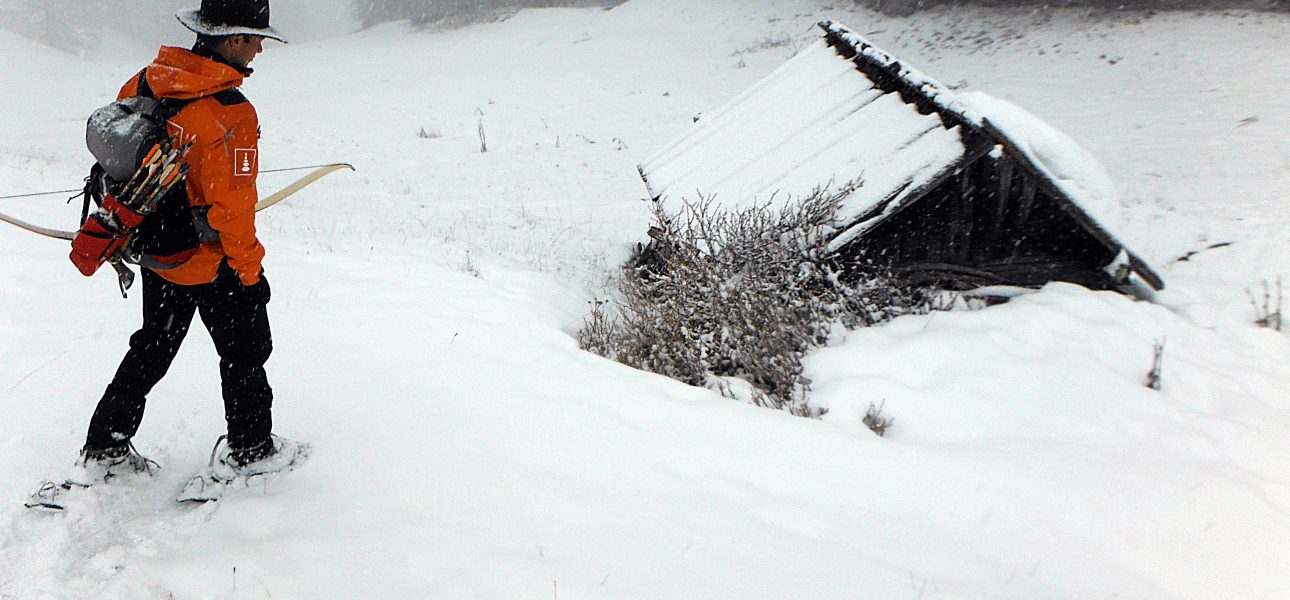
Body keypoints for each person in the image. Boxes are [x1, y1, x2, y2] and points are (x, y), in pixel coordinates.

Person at [74, 0, 302, 485]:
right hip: (212, 263)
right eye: (256, 37)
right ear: (232, 38)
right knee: (245, 354)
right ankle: (252, 448)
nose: (260, 46)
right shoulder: (231, 113)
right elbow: (233, 211)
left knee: (151, 348)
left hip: (157, 253)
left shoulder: (145, 82)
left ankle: (104, 444)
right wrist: (250, 273)